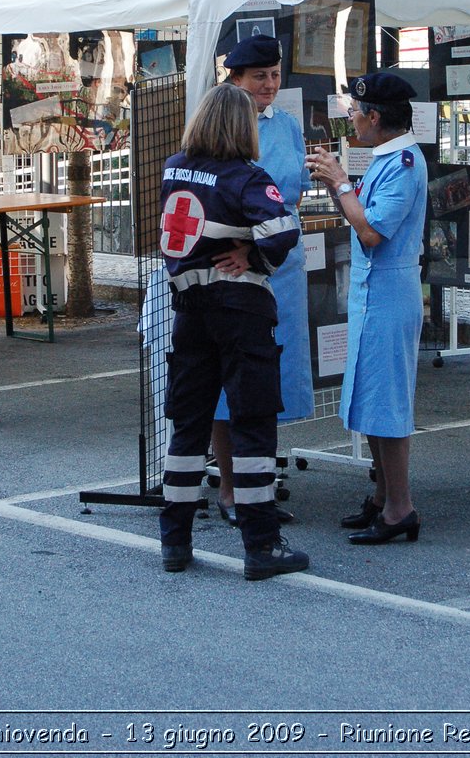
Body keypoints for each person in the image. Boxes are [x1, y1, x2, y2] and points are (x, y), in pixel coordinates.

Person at [158, 82, 309, 580]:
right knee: (252, 423)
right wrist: (253, 255)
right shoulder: (246, 177)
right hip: (240, 307)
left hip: (189, 309)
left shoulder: (174, 167)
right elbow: (283, 230)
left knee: (189, 425)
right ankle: (262, 545)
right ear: (242, 128)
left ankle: (174, 540)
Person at [306, 71, 428, 545]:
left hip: (389, 295)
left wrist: (340, 183)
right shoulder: (385, 158)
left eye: (356, 112)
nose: (352, 119)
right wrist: (342, 184)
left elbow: (372, 231)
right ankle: (382, 497)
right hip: (372, 292)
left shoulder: (402, 163)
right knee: (371, 398)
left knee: (388, 405)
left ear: (375, 117)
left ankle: (401, 508)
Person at [211, 34, 314, 526]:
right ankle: (231, 490)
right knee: (233, 381)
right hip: (235, 266)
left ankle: (261, 486)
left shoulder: (288, 127)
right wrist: (244, 248)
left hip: (282, 267)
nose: (269, 85)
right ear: (235, 79)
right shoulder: (219, 128)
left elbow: (290, 196)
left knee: (271, 378)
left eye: (274, 75)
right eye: (259, 77)